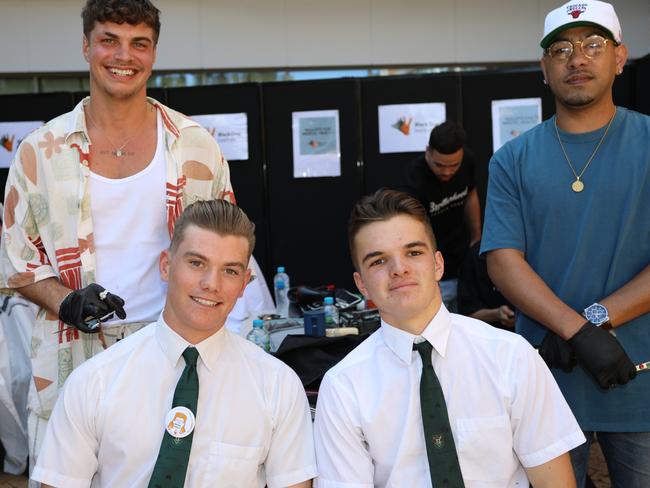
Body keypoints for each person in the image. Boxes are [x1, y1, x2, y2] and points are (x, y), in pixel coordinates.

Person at [0, 0, 235, 474]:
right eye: (109, 40)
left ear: (153, 54)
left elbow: (227, 246)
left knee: (177, 474)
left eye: (138, 44)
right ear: (87, 46)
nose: (123, 55)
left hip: (175, 348)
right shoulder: (39, 152)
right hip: (72, 353)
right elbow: (15, 262)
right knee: (68, 478)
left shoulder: (196, 146)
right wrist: (66, 301)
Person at [31, 199, 316, 488]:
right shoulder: (94, 382)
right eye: (196, 263)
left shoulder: (277, 386)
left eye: (229, 271)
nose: (211, 283)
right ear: (166, 266)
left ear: (244, 283)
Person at [481, 1, 650, 486]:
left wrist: (594, 320)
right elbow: (503, 263)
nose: (577, 59)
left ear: (619, 58)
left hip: (639, 378)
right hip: (545, 382)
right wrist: (579, 331)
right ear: (544, 68)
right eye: (562, 49)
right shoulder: (512, 159)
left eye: (593, 45)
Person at [314, 188, 584, 487]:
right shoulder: (343, 386)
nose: (399, 268)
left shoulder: (511, 356)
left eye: (413, 253)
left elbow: (555, 482)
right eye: (378, 261)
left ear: (438, 264)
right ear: (361, 284)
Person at [400, 121, 482, 312]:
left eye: (454, 165)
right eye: (439, 165)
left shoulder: (468, 161)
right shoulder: (413, 180)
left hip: (463, 257)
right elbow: (411, 229)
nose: (446, 172)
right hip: (432, 265)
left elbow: (471, 194)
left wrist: (477, 237)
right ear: (428, 151)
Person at [457, 240, 515, 330]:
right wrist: (497, 314)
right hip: (492, 334)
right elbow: (467, 314)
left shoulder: (534, 250)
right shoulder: (476, 255)